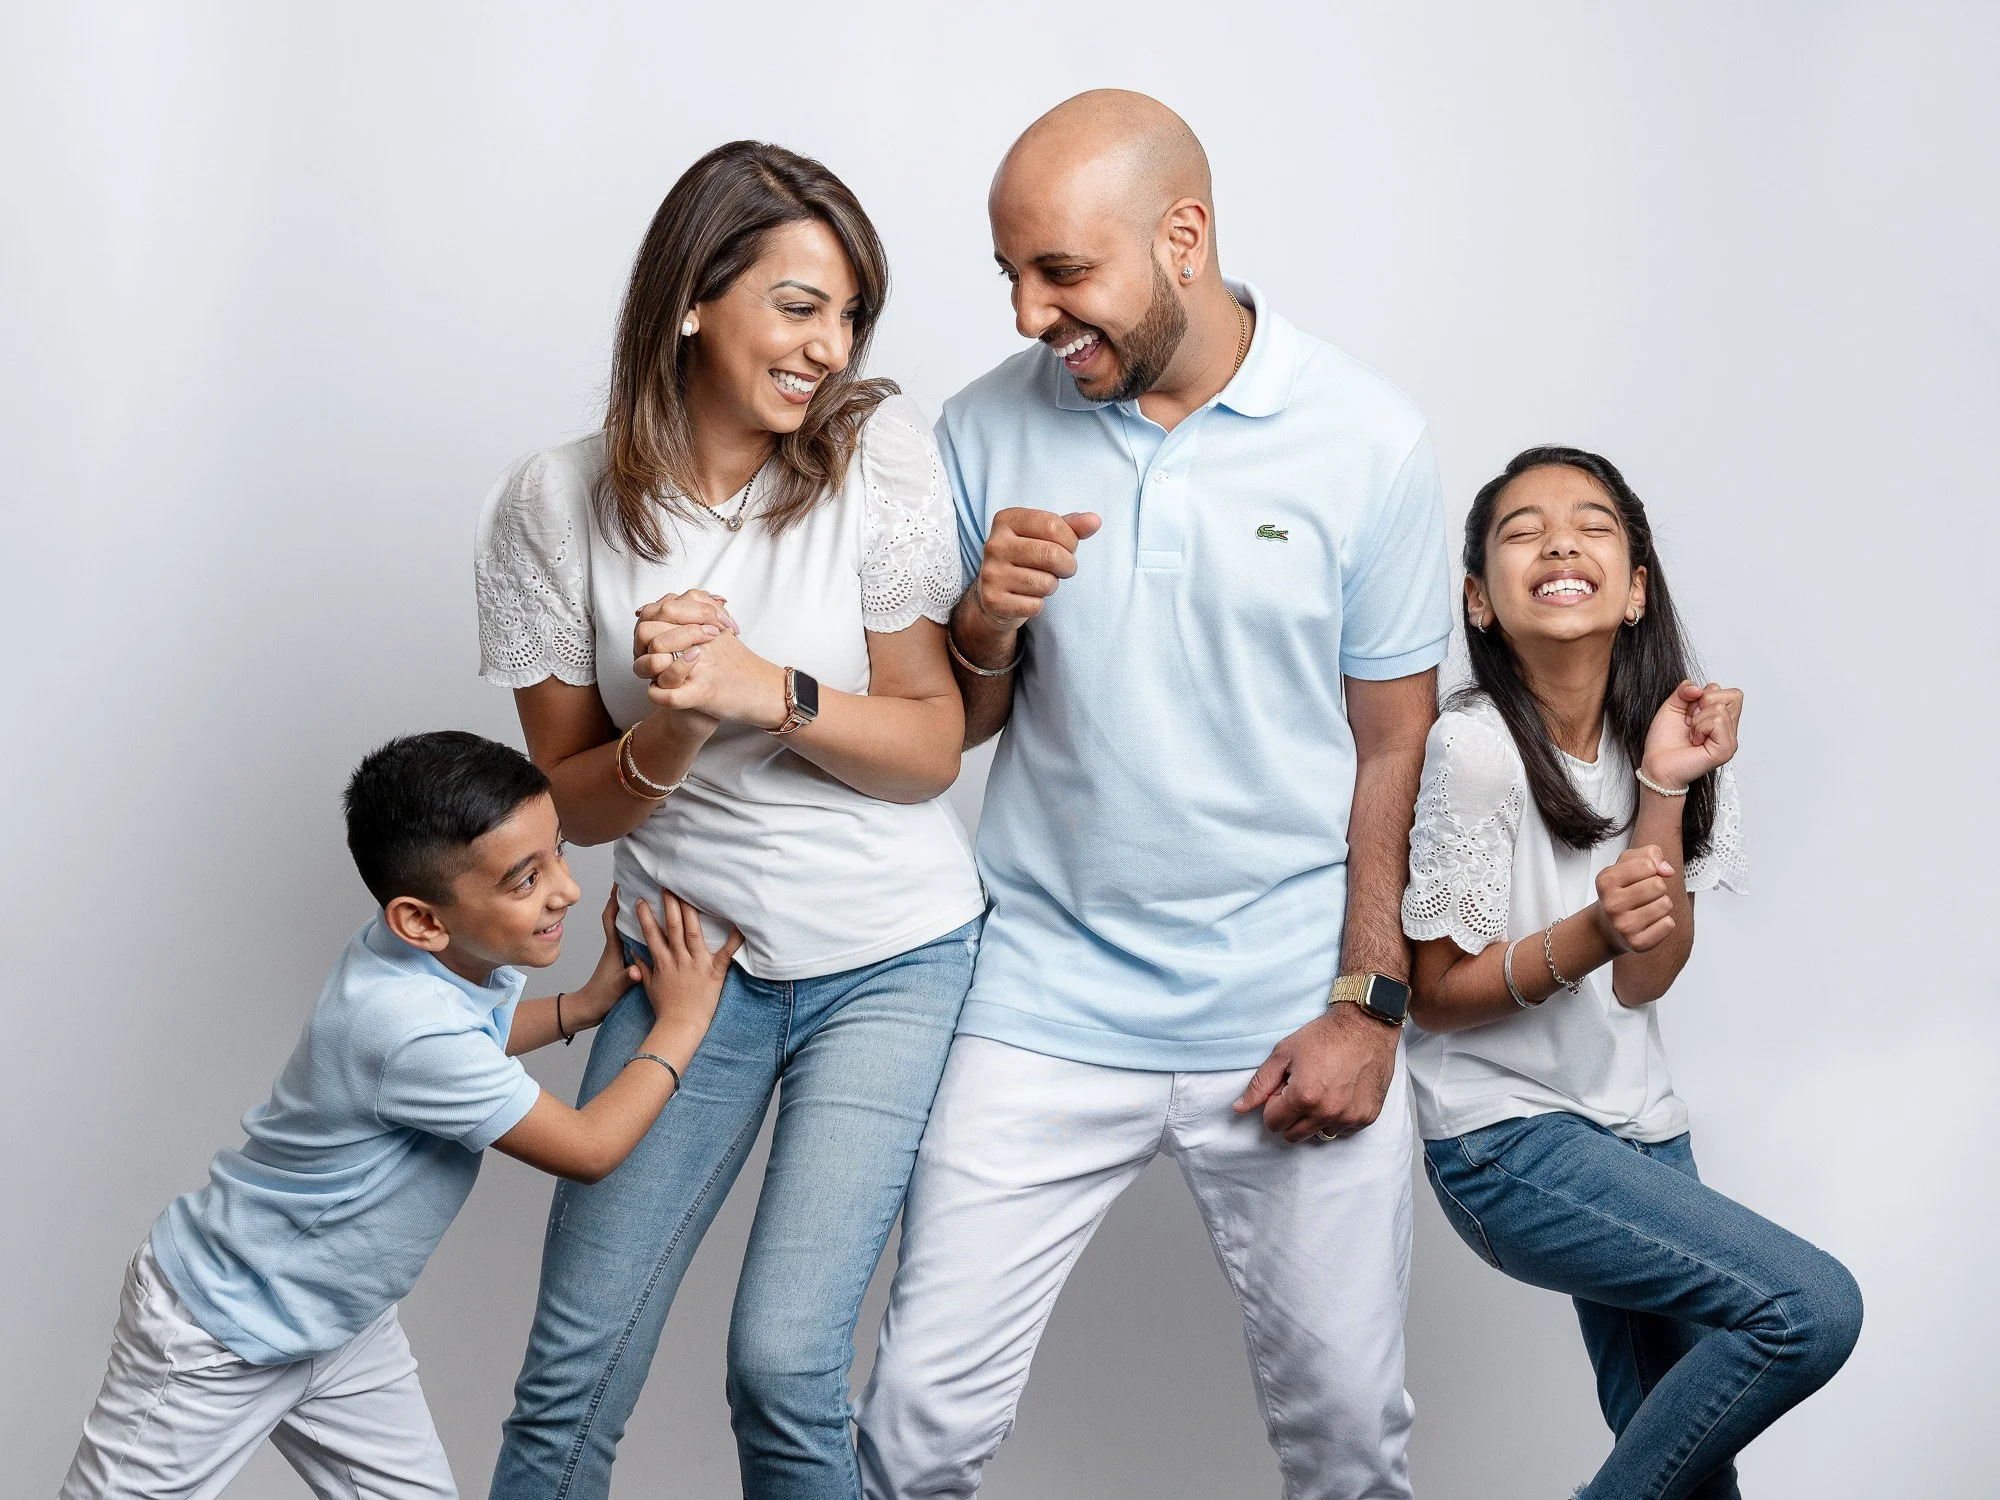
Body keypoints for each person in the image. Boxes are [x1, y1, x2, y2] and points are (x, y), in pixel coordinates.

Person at [854, 91, 1452, 1500]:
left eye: (1060, 271)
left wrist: (1369, 1003)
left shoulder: (1368, 437)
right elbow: (965, 719)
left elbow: (1396, 747)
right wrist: (986, 623)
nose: (1025, 313)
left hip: (1289, 1004)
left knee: (1352, 1439)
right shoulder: (983, 429)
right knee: (912, 1432)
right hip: (1042, 1002)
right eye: (1007, 274)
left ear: (1184, 238)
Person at [473, 140, 983, 1500]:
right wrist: (673, 730)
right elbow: (567, 806)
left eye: (852, 314)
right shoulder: (552, 501)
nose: (832, 346)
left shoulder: (873, 456)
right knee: (572, 1372)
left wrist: (765, 689)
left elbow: (930, 743)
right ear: (695, 298)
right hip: (685, 957)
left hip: (888, 955)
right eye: (800, 304)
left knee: (783, 1365)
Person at [59, 730, 735, 1500]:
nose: (566, 892)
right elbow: (588, 1146)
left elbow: (468, 1048)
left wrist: (579, 1007)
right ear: (421, 919)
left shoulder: (412, 963)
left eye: (558, 854)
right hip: (221, 1325)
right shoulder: (404, 1022)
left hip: (341, 1324)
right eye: (525, 880)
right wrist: (681, 1023)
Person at [1402, 447, 1861, 1499]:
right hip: (1504, 1141)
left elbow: (1645, 982)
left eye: (1591, 524)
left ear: (1635, 586)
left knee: (1692, 1479)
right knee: (1807, 1307)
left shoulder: (1671, 736)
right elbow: (1435, 995)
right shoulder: (1471, 749)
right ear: (1478, 598)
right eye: (1520, 529)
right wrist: (1586, 934)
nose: (1559, 540)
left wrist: (1661, 784)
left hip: (1642, 1132)